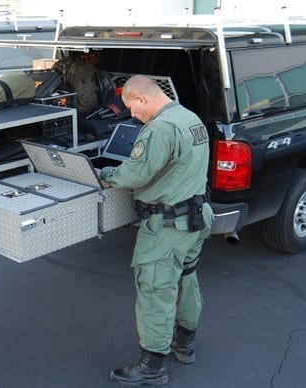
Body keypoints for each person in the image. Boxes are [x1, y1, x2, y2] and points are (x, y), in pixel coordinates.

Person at [99, 75, 213, 386]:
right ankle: (184, 344)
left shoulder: (160, 128)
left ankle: (151, 366)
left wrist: (106, 172)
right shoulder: (189, 117)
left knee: (155, 290)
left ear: (143, 99)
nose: (132, 115)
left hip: (166, 226)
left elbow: (137, 173)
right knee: (185, 279)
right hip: (195, 217)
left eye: (132, 108)